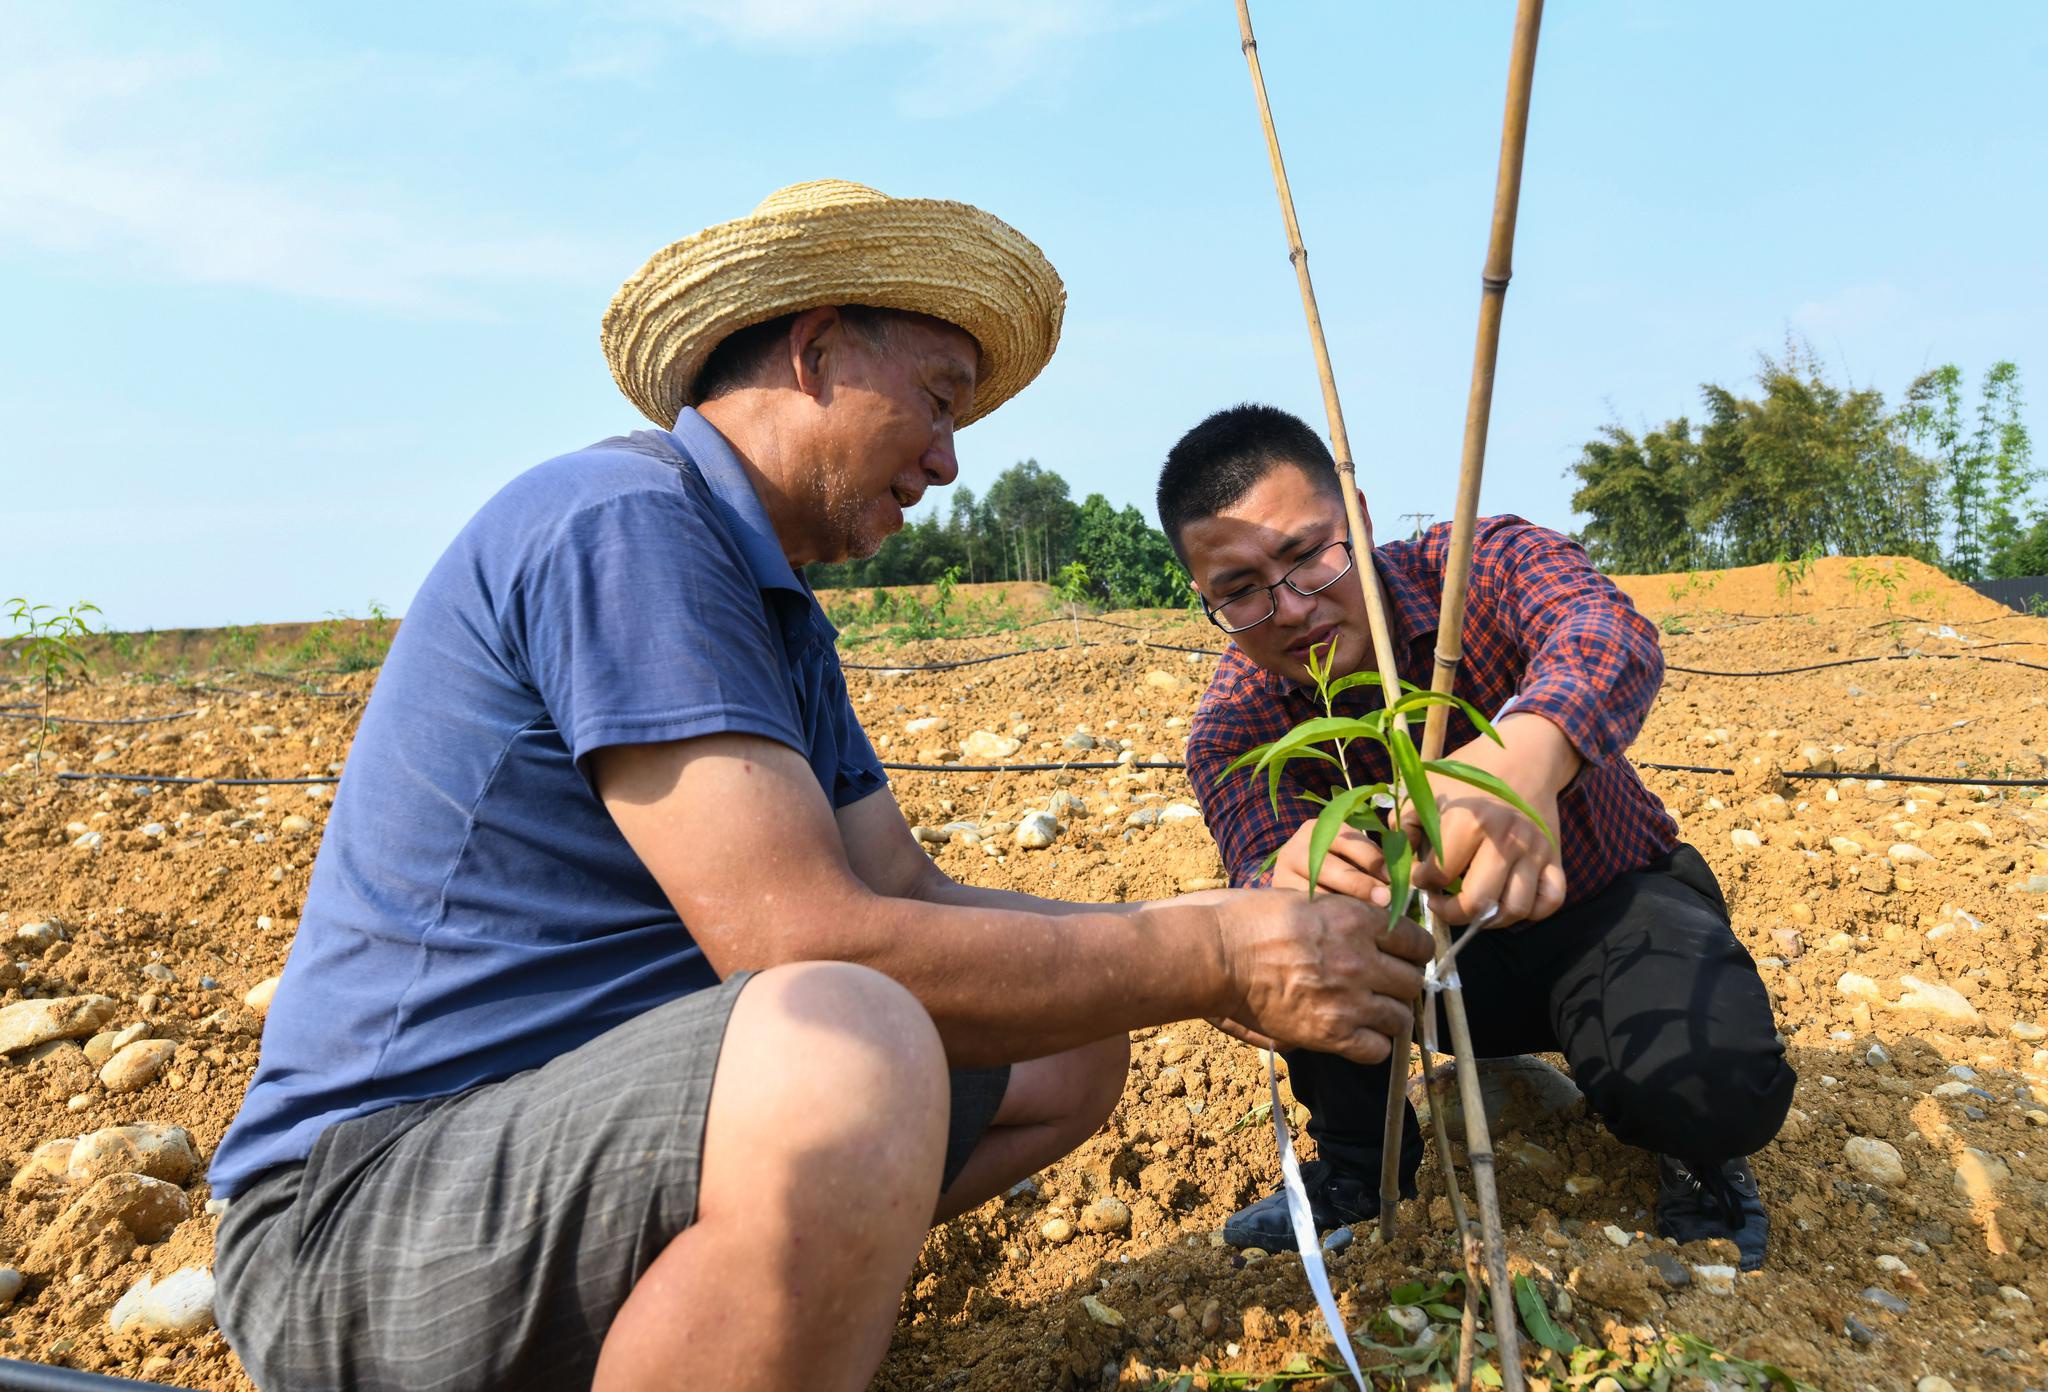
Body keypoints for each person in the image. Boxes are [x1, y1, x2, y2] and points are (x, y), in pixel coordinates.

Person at [205, 183, 1436, 1392]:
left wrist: (1200, 928)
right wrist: (1217, 961)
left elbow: (900, 886)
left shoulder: (770, 605)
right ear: (814, 352)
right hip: (367, 1217)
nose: (949, 463)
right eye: (938, 401)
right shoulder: (624, 523)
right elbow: (794, 941)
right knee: (849, 1045)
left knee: (1066, 1051)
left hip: (553, 1149)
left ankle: (708, 1333)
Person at [1159, 403, 1794, 1270]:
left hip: (1605, 909)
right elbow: (1259, 861)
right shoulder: (1238, 726)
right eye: (1238, 591)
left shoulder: (1479, 567)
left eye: (1309, 554)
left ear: (1362, 521)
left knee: (1709, 1086)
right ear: (1205, 598)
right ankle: (1357, 1168)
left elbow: (1606, 631)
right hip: (1427, 966)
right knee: (1299, 925)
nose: (1292, 607)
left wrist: (1523, 757)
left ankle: (1700, 1157)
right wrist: (1284, 875)